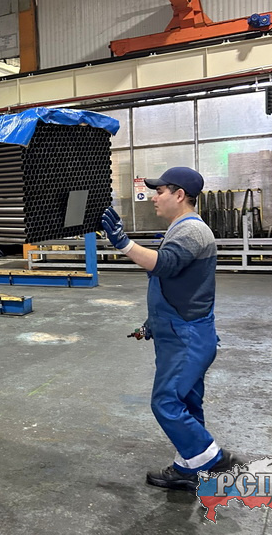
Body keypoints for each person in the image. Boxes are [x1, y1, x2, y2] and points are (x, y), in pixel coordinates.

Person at [100, 167, 245, 491]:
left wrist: (123, 243)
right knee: (188, 404)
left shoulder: (192, 230)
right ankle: (188, 469)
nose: (155, 197)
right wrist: (153, 322)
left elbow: (164, 265)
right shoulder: (180, 228)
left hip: (186, 337)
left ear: (179, 195)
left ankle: (214, 460)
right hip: (179, 331)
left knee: (165, 402)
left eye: (160, 191)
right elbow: (175, 282)